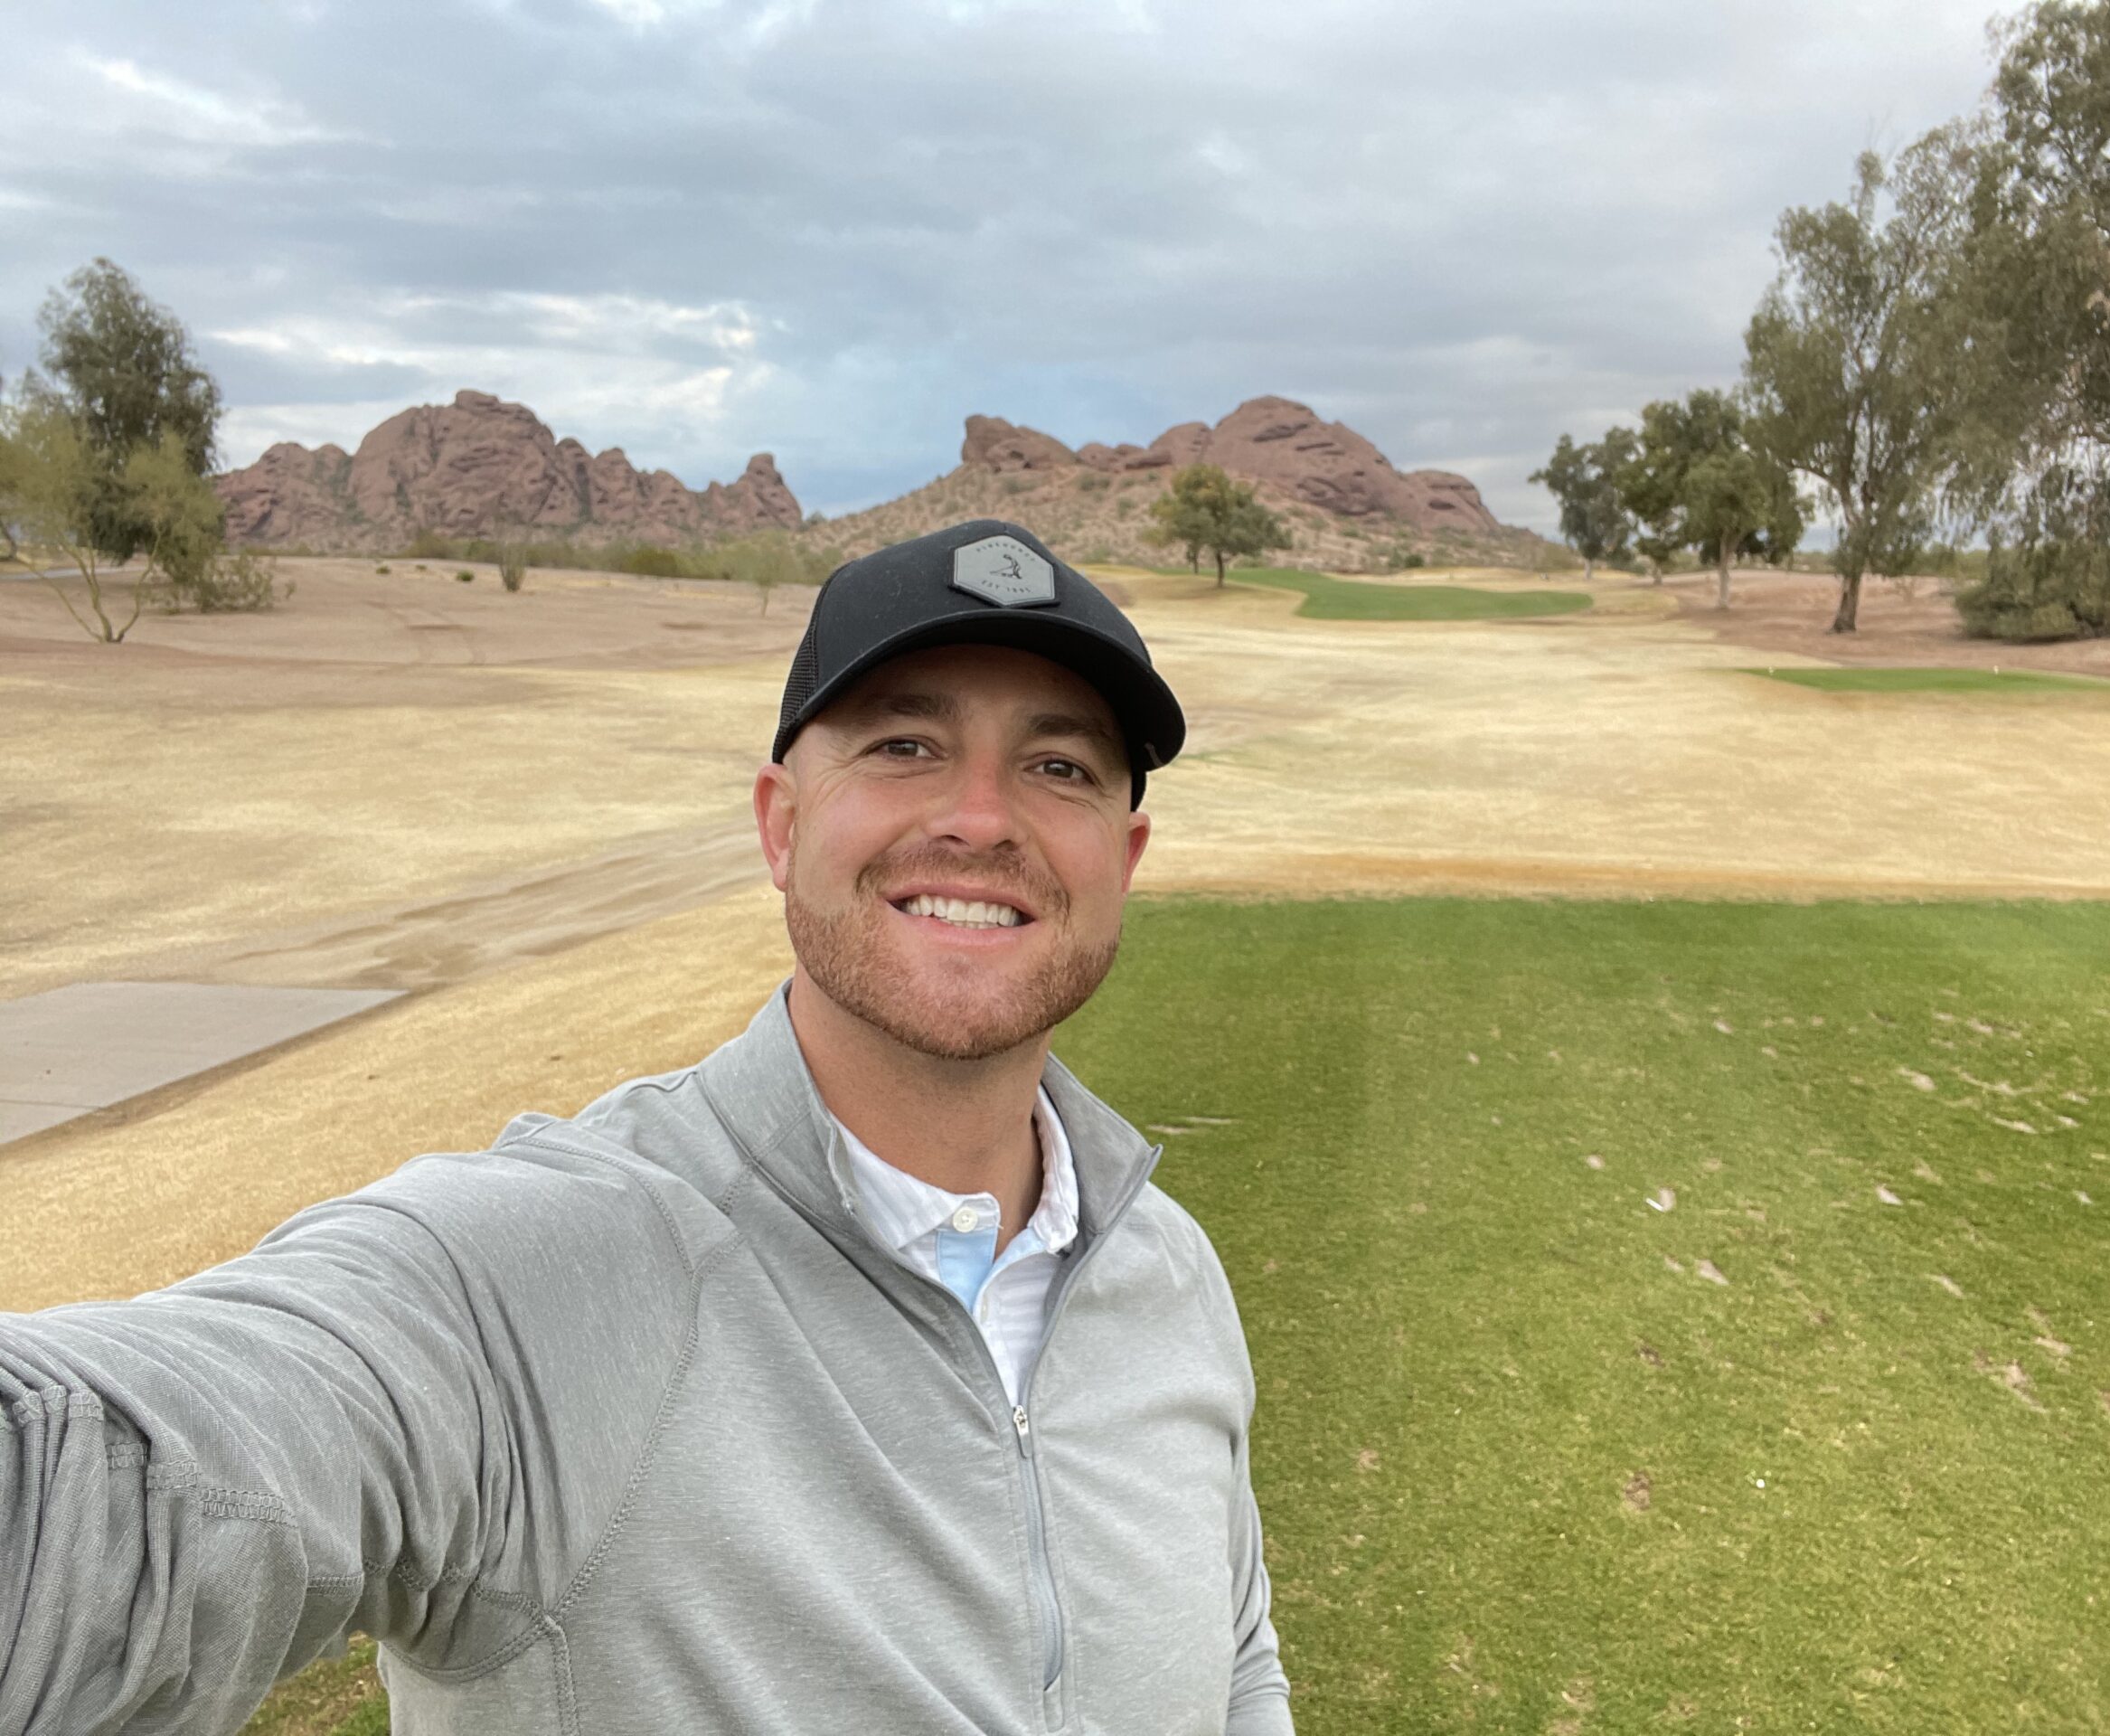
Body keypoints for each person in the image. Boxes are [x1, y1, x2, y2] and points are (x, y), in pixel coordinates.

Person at [0, 518, 1292, 1735]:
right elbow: (133, 1481)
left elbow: (1234, 1656)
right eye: (904, 746)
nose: (980, 816)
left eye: (1057, 766)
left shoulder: (1164, 1269)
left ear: (1121, 863)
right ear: (781, 826)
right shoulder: (541, 1276)